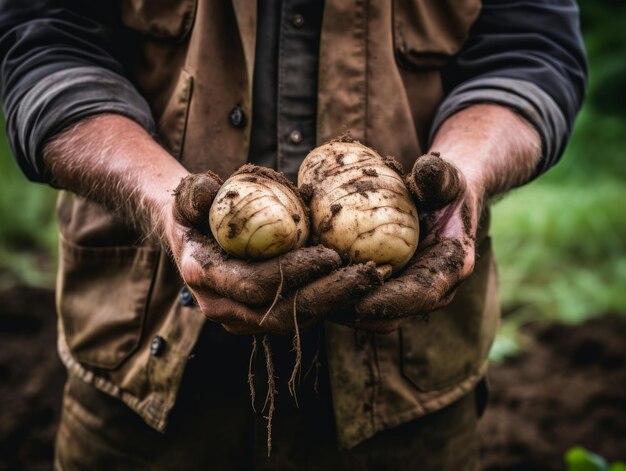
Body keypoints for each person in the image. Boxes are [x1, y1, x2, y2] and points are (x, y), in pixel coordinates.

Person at [0, 0, 586, 469]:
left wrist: (465, 174)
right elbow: (45, 40)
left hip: (410, 386)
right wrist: (164, 201)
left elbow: (530, 49)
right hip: (139, 367)